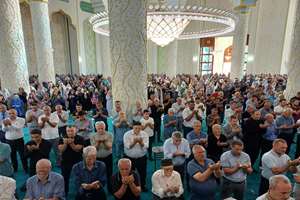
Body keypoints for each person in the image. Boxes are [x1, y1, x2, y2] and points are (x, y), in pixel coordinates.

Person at [58, 125, 84, 195]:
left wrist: (71, 143)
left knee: (79, 178)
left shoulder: (80, 138)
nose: (70, 132)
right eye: (68, 131)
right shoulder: (62, 138)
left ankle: (81, 192)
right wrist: (65, 144)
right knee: (65, 178)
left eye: (72, 131)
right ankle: (65, 193)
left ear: (76, 131)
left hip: (77, 161)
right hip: (65, 162)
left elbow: (77, 149)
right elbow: (61, 149)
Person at [123, 121, 149, 191]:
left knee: (142, 173)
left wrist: (141, 143)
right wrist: (134, 142)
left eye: (139, 128)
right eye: (135, 128)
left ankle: (142, 186)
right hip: (129, 158)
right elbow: (127, 146)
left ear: (141, 128)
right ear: (132, 127)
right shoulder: (127, 134)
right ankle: (130, 187)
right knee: (129, 173)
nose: (137, 130)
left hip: (141, 158)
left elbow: (146, 146)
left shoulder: (144, 134)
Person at [90, 121, 113, 192]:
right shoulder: (92, 135)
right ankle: (98, 189)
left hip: (108, 157)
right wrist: (98, 142)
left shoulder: (109, 134)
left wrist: (104, 141)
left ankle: (110, 189)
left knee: (109, 173)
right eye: (99, 128)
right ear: (96, 128)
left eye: (102, 128)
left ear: (105, 127)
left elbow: (109, 147)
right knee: (97, 174)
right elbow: (94, 148)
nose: (100, 130)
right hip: (97, 158)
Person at [2, 108, 27, 173]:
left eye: (13, 113)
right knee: (12, 155)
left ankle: (26, 168)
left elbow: (18, 128)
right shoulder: (5, 120)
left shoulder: (21, 119)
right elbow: (4, 130)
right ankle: (15, 168)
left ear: (16, 113)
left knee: (22, 155)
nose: (11, 115)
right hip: (9, 140)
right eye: (10, 113)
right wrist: (5, 125)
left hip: (19, 140)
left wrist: (10, 124)